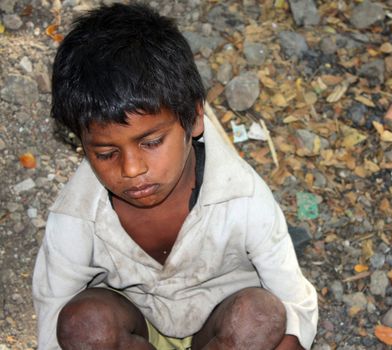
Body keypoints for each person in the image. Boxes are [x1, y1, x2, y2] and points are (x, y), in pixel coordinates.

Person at [32, 3, 318, 350]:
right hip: (135, 328)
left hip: (217, 331)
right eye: (106, 153)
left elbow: (296, 305)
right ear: (82, 142)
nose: (132, 169)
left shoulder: (243, 199)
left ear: (195, 117)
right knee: (84, 325)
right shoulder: (75, 218)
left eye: (151, 142)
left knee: (260, 316)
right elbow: (52, 319)